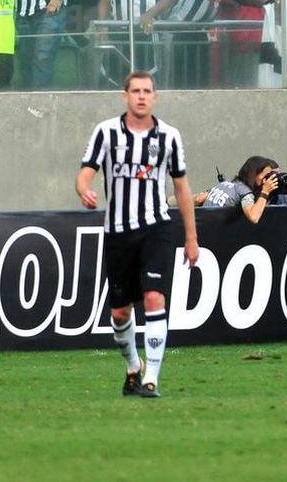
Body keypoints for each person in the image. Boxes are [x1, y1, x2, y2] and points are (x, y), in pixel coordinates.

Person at [75, 71, 199, 399]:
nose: (141, 96)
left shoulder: (169, 137)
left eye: (147, 91)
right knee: (120, 312)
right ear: (125, 96)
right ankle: (133, 366)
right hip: (117, 232)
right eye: (136, 91)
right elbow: (85, 172)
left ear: (154, 97)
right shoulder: (106, 132)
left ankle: (152, 379)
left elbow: (182, 187)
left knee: (154, 297)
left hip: (156, 227)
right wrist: (84, 189)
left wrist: (191, 238)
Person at [199, 155, 287, 223]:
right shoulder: (247, 192)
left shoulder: (282, 197)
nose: (274, 180)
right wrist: (265, 192)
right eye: (270, 176)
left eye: (277, 175)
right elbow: (253, 217)